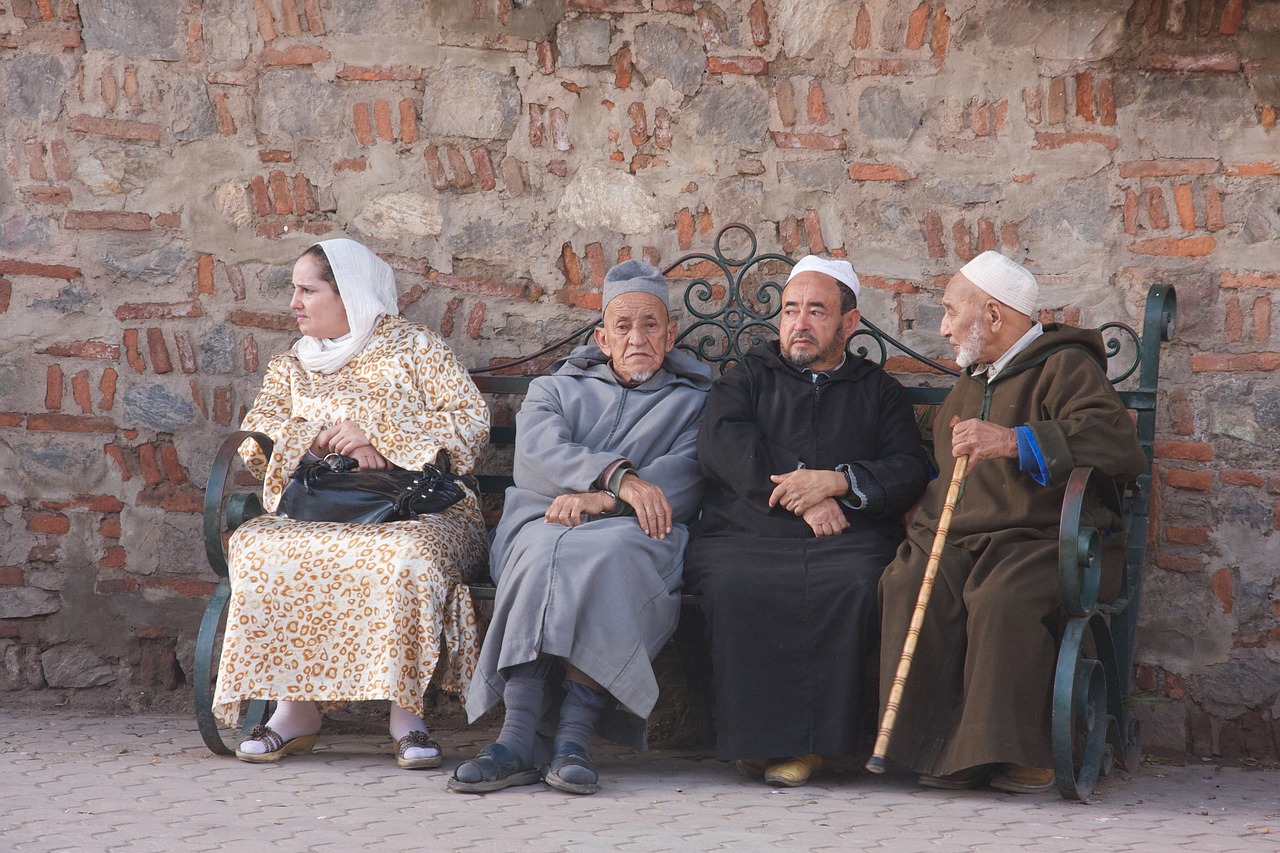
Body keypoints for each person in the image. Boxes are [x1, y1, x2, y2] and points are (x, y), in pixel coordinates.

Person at [212, 238, 490, 769]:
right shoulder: (291, 365)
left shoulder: (415, 348)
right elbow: (255, 443)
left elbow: (470, 424)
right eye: (294, 290)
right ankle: (295, 712)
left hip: (418, 506)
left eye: (307, 290)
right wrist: (313, 438)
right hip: (321, 503)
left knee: (403, 557)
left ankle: (407, 714)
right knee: (262, 550)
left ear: (350, 295)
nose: (293, 303)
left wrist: (378, 436)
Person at [877, 251, 1147, 794]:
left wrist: (1012, 441)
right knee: (906, 581)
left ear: (994, 316)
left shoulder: (1065, 366)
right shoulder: (970, 383)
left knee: (1001, 595)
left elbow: (1115, 443)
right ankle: (930, 747)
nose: (944, 326)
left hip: (1049, 537)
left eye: (953, 311)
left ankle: (1016, 751)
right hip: (969, 535)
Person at [450, 260, 712, 796]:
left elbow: (681, 481)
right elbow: (538, 456)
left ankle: (573, 738)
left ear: (671, 334)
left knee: (608, 556)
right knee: (544, 550)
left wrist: (599, 501)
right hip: (545, 519)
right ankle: (518, 736)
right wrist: (616, 481)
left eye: (650, 325)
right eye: (623, 326)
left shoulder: (696, 401)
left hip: (636, 533)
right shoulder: (554, 389)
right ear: (601, 336)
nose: (637, 338)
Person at [683, 255, 931, 787]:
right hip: (746, 531)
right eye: (791, 310)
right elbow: (722, 444)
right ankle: (753, 742)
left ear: (849, 323)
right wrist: (803, 490)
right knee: (733, 582)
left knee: (856, 582)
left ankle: (811, 749)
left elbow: (909, 467)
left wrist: (839, 482)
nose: (799, 323)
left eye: (816, 311)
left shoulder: (878, 391)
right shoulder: (748, 376)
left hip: (847, 538)